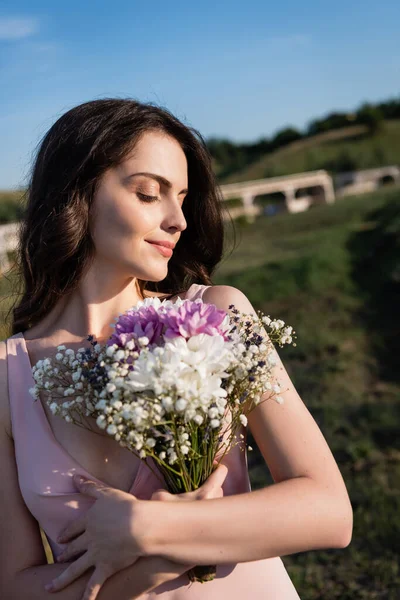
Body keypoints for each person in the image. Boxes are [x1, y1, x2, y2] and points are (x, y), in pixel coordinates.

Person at [0, 98, 353, 600]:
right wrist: (164, 558)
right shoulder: (7, 376)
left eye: (183, 198)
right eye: (149, 193)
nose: (178, 219)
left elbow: (329, 511)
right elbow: (14, 586)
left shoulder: (218, 314)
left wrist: (147, 528)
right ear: (74, 193)